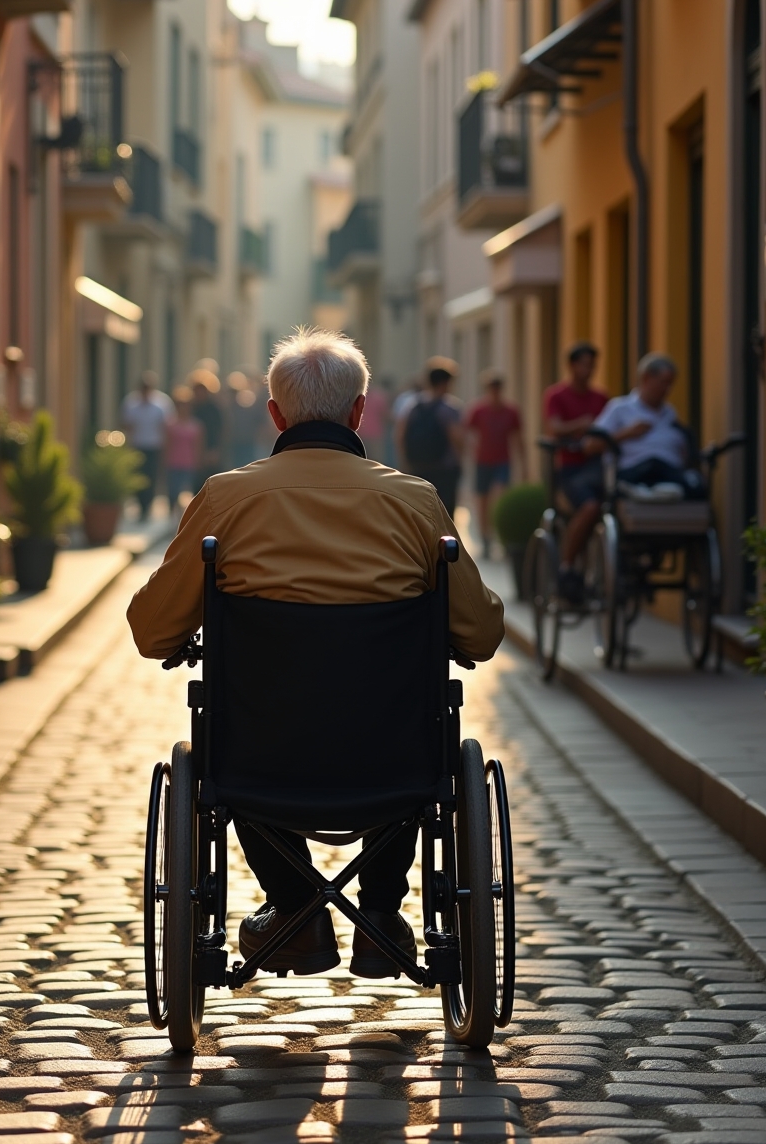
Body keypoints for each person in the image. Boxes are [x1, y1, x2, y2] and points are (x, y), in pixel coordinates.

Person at [128, 327, 504, 979]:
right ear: (360, 412)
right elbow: (480, 633)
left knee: (231, 738)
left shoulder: (227, 499)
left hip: (262, 754)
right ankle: (381, 916)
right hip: (393, 754)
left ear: (275, 415)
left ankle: (296, 907)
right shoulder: (415, 502)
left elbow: (152, 631)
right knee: (413, 734)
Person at [543, 343, 609, 604]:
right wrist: (581, 425)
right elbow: (554, 427)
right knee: (590, 507)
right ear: (571, 366)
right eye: (584, 363)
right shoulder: (556, 396)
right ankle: (567, 567)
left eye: (592, 364)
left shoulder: (601, 398)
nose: (589, 369)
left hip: (599, 468)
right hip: (571, 470)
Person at [590, 353, 703, 496]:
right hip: (635, 471)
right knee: (653, 465)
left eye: (670, 384)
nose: (667, 389)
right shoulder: (619, 408)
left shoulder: (670, 413)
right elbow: (590, 445)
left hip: (670, 472)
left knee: (697, 486)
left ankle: (664, 491)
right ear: (646, 378)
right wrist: (626, 433)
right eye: (663, 382)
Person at [465, 371, 524, 558]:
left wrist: (524, 465)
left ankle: (502, 537)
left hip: (502, 462)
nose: (495, 392)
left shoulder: (511, 411)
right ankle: (485, 539)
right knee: (482, 502)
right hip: (482, 461)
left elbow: (518, 439)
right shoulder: (478, 410)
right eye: (492, 388)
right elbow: (467, 432)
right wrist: (471, 451)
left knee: (500, 498)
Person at [398, 358, 465, 518]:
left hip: (418, 466)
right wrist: (460, 459)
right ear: (445, 383)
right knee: (446, 512)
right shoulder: (449, 408)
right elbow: (456, 437)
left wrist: (405, 461)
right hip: (445, 468)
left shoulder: (413, 405)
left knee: (421, 510)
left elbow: (400, 434)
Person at [119, 371, 174, 521]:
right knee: (138, 477)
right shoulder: (131, 403)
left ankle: (147, 506)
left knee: (151, 477)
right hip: (137, 446)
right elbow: (125, 424)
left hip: (155, 446)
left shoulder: (162, 403)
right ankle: (140, 505)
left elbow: (166, 427)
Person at [164, 386, 204, 512]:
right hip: (173, 462)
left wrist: (198, 462)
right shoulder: (170, 424)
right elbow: (166, 445)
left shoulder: (196, 425)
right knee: (172, 491)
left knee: (187, 493)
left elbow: (198, 446)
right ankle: (172, 515)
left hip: (189, 463)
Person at [189, 370, 224, 491]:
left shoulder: (213, 409)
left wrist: (215, 449)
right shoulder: (191, 407)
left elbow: (220, 430)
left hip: (210, 449)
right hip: (192, 450)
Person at [357, 378, 390, 462]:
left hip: (361, 434)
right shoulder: (379, 397)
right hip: (376, 434)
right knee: (376, 461)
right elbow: (385, 416)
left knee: (362, 459)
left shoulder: (357, 397)